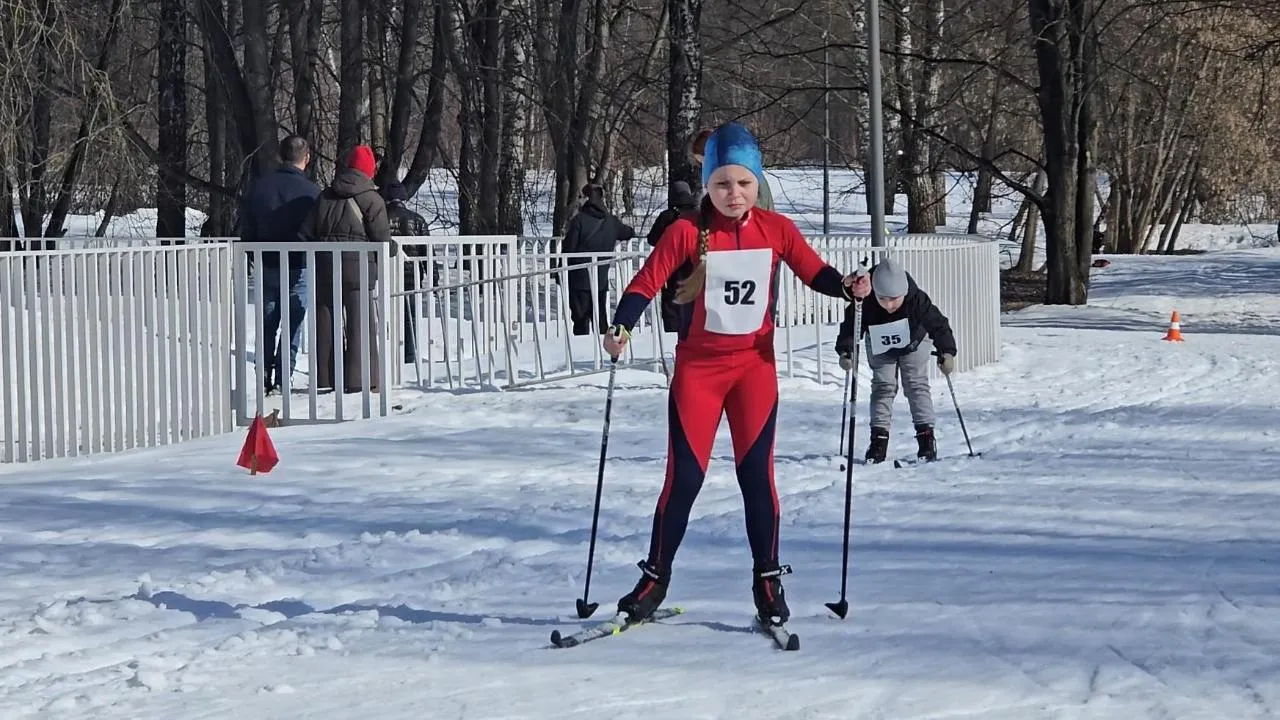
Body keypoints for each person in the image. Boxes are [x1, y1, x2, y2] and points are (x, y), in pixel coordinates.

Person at [602, 121, 858, 626]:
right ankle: (655, 578)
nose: (733, 195)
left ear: (757, 182)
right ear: (707, 186)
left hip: (754, 372)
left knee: (756, 477)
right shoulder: (685, 232)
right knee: (685, 478)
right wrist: (621, 325)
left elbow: (815, 272)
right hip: (699, 373)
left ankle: (767, 579)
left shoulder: (776, 228)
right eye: (722, 185)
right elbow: (644, 283)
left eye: (743, 183)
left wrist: (849, 287)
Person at [838, 257, 958, 464]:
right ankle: (878, 441)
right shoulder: (865, 300)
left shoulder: (917, 300)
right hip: (879, 344)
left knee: (915, 384)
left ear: (904, 293)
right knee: (883, 386)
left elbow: (939, 325)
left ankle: (926, 439)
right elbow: (851, 326)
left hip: (915, 343)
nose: (889, 305)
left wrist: (947, 352)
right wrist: (846, 351)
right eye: (883, 298)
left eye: (894, 299)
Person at [298, 145, 395, 393]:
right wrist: (391, 249)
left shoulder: (324, 196)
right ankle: (360, 378)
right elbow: (381, 239)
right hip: (358, 268)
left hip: (325, 265)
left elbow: (305, 233)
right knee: (360, 320)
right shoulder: (372, 199)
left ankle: (325, 377)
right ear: (368, 170)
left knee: (326, 317)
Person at [239, 135, 320, 393]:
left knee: (267, 324)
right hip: (299, 265)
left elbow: (247, 229)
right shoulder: (312, 193)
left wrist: (255, 257)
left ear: (280, 156)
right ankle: (283, 379)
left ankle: (263, 375)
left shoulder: (259, 188)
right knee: (293, 324)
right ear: (306, 158)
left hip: (267, 264)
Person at [561, 183, 635, 335]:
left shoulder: (579, 221)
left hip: (578, 277)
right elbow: (627, 232)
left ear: (586, 199)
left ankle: (580, 352)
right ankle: (602, 351)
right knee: (600, 317)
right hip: (600, 279)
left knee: (580, 320)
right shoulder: (611, 222)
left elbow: (569, 249)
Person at [379, 179, 432, 362]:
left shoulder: (380, 218)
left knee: (388, 316)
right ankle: (410, 355)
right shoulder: (417, 220)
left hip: (387, 274)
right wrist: (433, 276)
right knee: (411, 316)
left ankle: (390, 353)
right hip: (412, 274)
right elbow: (427, 251)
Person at [646, 180, 698, 332]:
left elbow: (652, 239)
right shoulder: (698, 216)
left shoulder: (666, 216)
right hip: (694, 266)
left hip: (670, 267)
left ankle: (672, 334)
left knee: (670, 304)